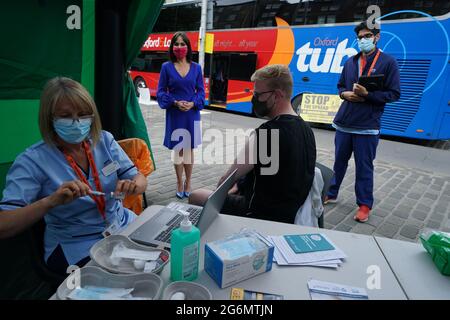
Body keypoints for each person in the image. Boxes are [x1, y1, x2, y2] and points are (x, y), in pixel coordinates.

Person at [0, 77, 147, 275]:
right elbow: (4, 225)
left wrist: (134, 185)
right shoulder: (32, 161)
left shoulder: (104, 140)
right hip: (77, 245)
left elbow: (139, 178)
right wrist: (50, 202)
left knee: (161, 251)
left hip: (121, 224)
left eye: (84, 114)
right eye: (66, 116)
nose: (77, 122)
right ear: (49, 119)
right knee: (127, 277)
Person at [189, 64, 316, 224]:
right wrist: (240, 185)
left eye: (258, 94)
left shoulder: (268, 132)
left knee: (196, 195)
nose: (254, 99)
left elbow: (225, 182)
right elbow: (270, 173)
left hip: (259, 213)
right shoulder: (305, 128)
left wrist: (230, 187)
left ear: (277, 95)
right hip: (289, 211)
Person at [325, 21, 400, 222]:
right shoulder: (350, 61)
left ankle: (364, 205)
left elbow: (394, 94)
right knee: (338, 162)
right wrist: (344, 94)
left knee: (364, 167)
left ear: (377, 37)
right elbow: (340, 86)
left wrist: (368, 94)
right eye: (360, 37)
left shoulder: (388, 62)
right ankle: (331, 193)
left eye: (367, 36)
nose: (363, 40)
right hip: (344, 123)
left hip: (367, 126)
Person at [157, 31, 205, 199]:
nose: (179, 47)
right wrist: (175, 102)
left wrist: (192, 103)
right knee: (178, 149)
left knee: (189, 149)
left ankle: (189, 182)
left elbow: (201, 91)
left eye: (182, 44)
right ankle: (179, 181)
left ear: (188, 46)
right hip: (175, 113)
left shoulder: (197, 68)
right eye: (176, 44)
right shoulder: (166, 67)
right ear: (172, 47)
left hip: (191, 114)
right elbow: (161, 91)